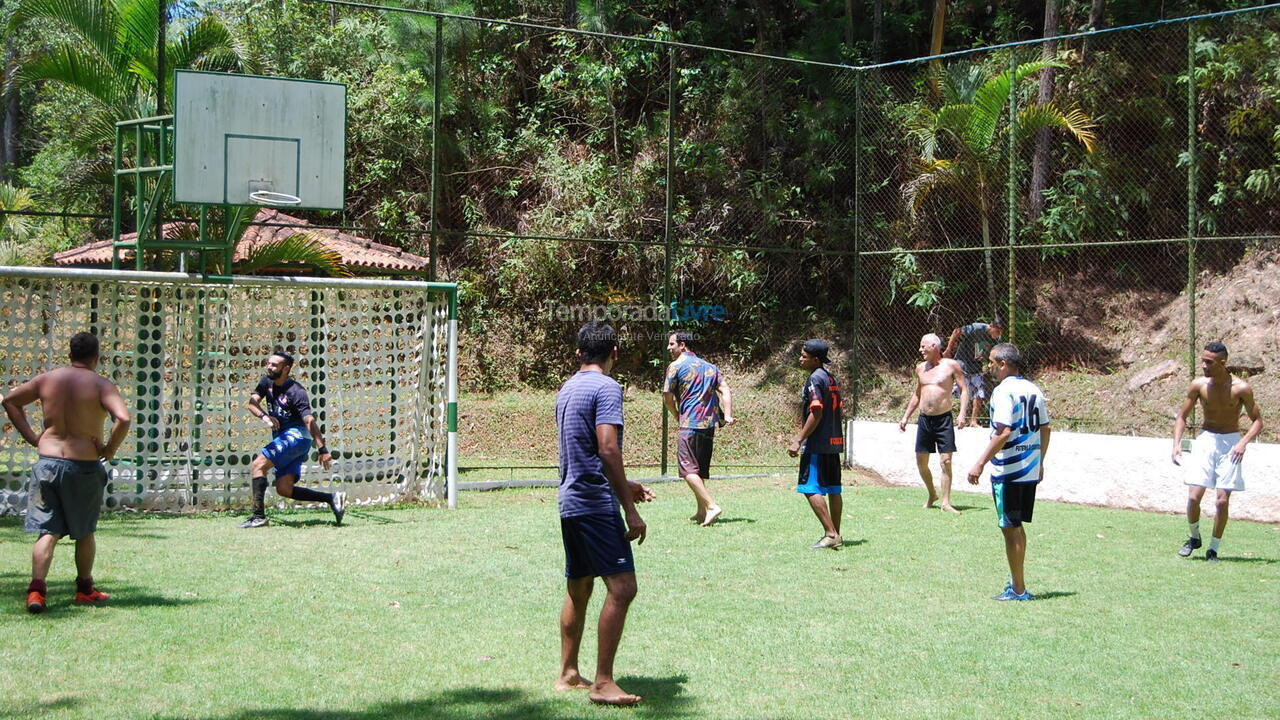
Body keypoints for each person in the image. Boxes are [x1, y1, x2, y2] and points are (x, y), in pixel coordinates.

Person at [554, 321, 655, 706]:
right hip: (596, 504)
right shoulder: (607, 387)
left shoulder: (568, 388)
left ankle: (568, 673)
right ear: (614, 352)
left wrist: (625, 485)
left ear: (579, 352)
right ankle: (603, 683)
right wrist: (630, 510)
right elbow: (607, 448)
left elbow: (581, 451)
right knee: (623, 587)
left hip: (571, 501)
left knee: (579, 587)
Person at [3, 332, 130, 613]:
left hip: (47, 463)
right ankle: (85, 589)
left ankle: (36, 592)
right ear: (97, 358)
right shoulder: (101, 385)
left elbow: (10, 401)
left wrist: (33, 437)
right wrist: (109, 450)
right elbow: (123, 418)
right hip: (83, 466)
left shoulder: (47, 379)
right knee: (84, 531)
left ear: (70, 355)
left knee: (47, 530)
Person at [966, 343, 1050, 601]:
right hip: (1029, 468)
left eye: (991, 362)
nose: (989, 366)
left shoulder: (1003, 392)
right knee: (1017, 527)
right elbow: (1045, 428)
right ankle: (1017, 582)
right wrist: (1040, 461)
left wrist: (980, 463)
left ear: (1003, 364)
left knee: (1010, 528)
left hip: (1009, 469)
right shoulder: (1033, 388)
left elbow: (1003, 432)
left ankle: (1018, 589)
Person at [1171, 341, 1263, 562]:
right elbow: (1182, 416)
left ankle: (1213, 549)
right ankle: (1194, 538)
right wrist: (1176, 444)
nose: (1204, 365)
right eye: (1203, 360)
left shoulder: (1241, 388)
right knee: (1194, 497)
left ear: (1223, 363)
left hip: (1230, 442)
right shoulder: (1199, 385)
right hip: (1206, 440)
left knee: (1222, 501)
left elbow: (1258, 421)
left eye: (1209, 362)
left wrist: (1242, 443)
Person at [239, 351, 343, 528]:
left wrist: (323, 449)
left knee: (258, 465)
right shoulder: (266, 382)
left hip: (296, 437)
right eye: (268, 363)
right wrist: (265, 417)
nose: (269, 367)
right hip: (286, 439)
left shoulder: (297, 391)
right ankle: (332, 498)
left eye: (274, 365)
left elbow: (309, 420)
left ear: (286, 369)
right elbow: (251, 403)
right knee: (284, 489)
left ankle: (258, 517)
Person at [662, 330, 735, 527]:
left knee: (687, 469)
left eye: (672, 344)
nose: (669, 348)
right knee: (699, 469)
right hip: (708, 425)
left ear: (682, 345)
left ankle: (711, 506)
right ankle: (701, 510)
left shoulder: (675, 366)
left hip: (690, 424)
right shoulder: (710, 367)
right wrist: (728, 415)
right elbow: (725, 389)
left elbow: (667, 398)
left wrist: (677, 415)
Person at [899, 333, 969, 513]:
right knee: (921, 462)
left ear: (934, 347)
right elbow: (917, 394)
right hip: (924, 420)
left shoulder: (951, 365)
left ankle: (946, 502)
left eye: (923, 346)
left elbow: (964, 390)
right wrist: (906, 416)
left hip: (943, 419)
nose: (920, 350)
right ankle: (932, 494)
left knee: (946, 461)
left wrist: (962, 414)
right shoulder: (920, 368)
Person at [787, 339, 844, 549]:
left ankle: (830, 534)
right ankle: (836, 534)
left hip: (818, 444)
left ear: (816, 360)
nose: (800, 359)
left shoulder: (815, 378)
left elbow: (816, 411)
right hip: (833, 441)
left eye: (804, 356)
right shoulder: (830, 377)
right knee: (834, 489)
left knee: (809, 487)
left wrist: (799, 438)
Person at [943, 316, 1005, 425]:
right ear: (991, 326)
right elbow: (956, 332)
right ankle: (954, 417)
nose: (998, 335)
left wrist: (991, 366)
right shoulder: (977, 328)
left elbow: (995, 354)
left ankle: (973, 421)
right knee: (960, 390)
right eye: (997, 331)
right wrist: (948, 350)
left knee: (979, 392)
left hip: (976, 364)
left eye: (1001, 333)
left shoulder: (996, 340)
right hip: (962, 361)